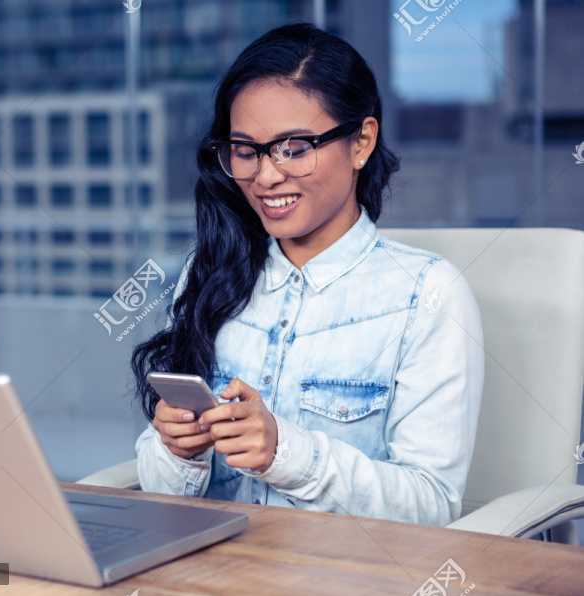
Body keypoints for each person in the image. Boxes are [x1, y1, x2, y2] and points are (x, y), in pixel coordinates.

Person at [131, 23, 484, 526]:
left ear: (361, 142)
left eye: (294, 148)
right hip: (209, 572)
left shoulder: (426, 294)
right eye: (246, 150)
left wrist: (286, 454)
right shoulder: (211, 273)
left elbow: (430, 506)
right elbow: (161, 492)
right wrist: (175, 450)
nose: (266, 175)